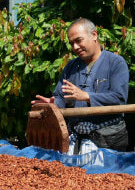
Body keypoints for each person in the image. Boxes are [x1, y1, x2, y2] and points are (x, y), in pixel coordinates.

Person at [32, 17, 129, 155]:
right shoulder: (71, 66)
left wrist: (87, 96)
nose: (75, 47)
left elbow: (119, 99)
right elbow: (60, 96)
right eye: (72, 43)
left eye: (78, 41)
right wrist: (53, 104)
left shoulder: (116, 63)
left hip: (108, 140)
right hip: (76, 137)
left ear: (94, 35)